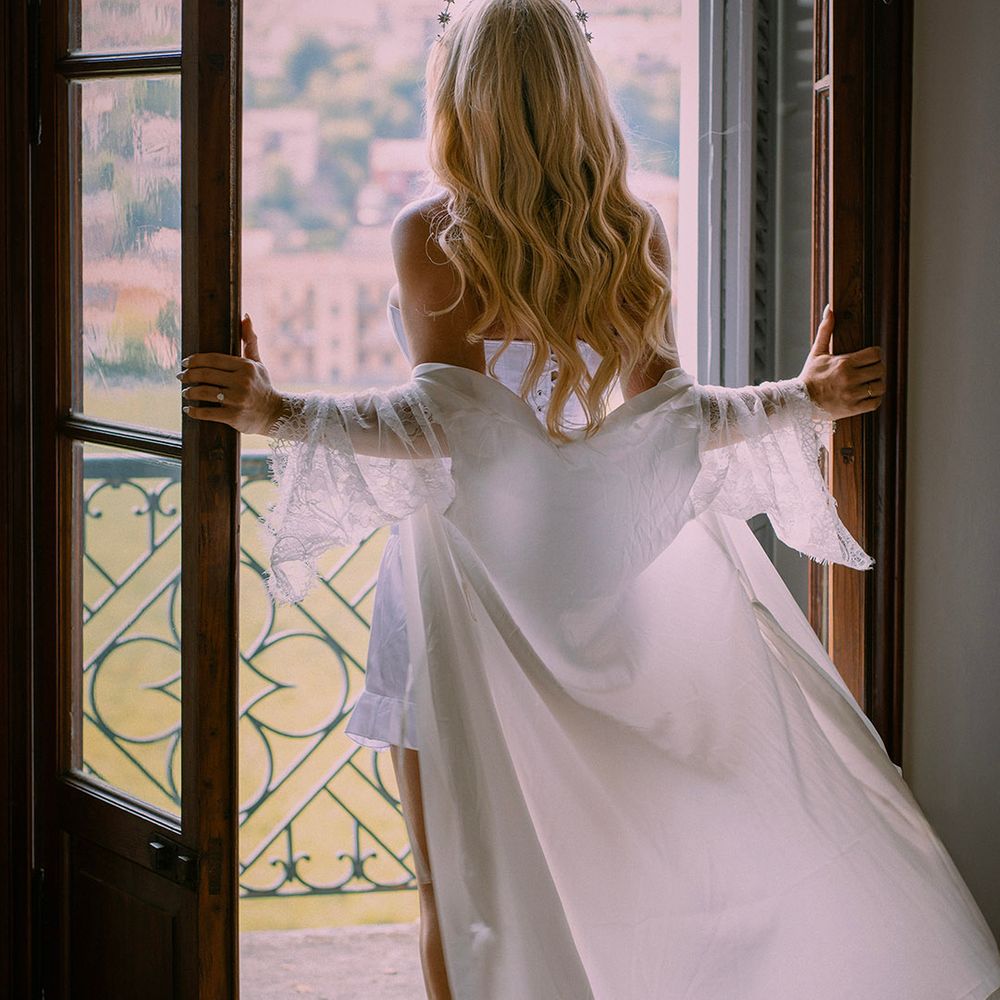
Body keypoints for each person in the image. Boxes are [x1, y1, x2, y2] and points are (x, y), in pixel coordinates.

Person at [178, 2, 1000, 996]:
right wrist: (800, 399)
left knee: (457, 886)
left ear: (461, 95)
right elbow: (667, 425)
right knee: (606, 863)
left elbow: (442, 426)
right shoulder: (629, 232)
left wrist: (277, 409)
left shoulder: (431, 238)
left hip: (465, 591)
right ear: (575, 90)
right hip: (602, 587)